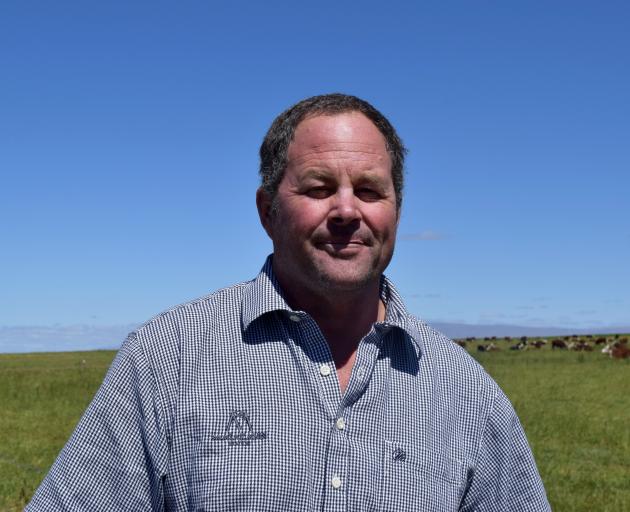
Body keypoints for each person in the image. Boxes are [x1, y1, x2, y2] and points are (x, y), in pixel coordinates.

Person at [27, 93, 551, 511]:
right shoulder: (166, 361)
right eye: (319, 187)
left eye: (370, 190)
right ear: (267, 211)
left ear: (397, 211)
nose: (347, 210)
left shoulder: (467, 394)